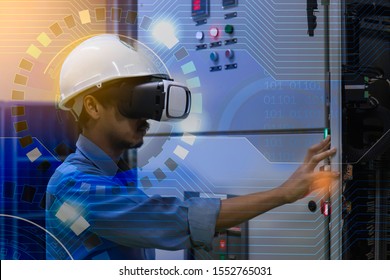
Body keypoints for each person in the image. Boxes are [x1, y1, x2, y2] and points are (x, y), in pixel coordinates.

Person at [45, 34, 338, 260]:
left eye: (150, 101)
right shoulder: (73, 186)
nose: (146, 117)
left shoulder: (118, 177)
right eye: (133, 101)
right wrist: (283, 193)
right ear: (93, 107)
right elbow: (177, 219)